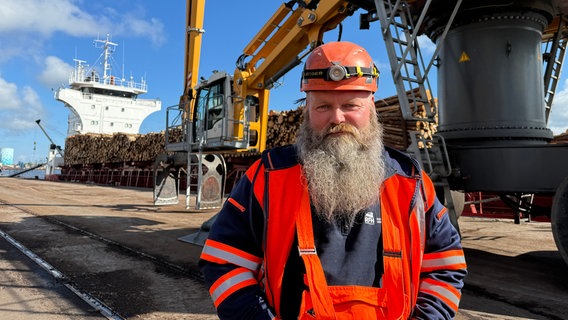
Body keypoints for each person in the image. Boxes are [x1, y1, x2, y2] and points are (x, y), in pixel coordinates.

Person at [199, 41, 467, 319]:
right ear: (307, 110)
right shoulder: (267, 177)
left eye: (351, 105)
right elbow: (225, 262)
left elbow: (445, 267)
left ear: (371, 106)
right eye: (323, 106)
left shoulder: (410, 183)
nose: (337, 118)